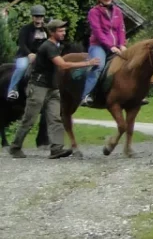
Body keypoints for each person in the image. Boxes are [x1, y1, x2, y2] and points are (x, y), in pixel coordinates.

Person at [8, 18, 100, 159]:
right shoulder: (48, 47)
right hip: (39, 87)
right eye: (60, 31)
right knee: (30, 118)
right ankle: (15, 147)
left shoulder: (56, 46)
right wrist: (88, 63)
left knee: (56, 118)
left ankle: (56, 149)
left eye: (64, 30)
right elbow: (63, 65)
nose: (64, 33)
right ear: (52, 32)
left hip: (53, 87)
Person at [81, 0, 126, 108]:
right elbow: (98, 31)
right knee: (98, 66)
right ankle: (85, 95)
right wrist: (111, 46)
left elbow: (121, 29)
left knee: (131, 63)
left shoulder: (118, 11)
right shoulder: (93, 12)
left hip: (117, 46)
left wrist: (122, 44)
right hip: (99, 46)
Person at [6, 4, 48, 101]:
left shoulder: (47, 30)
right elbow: (22, 44)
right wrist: (29, 54)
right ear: (32, 17)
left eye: (40, 16)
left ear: (43, 17)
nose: (38, 19)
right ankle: (12, 90)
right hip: (25, 55)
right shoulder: (25, 29)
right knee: (21, 67)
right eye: (36, 16)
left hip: (41, 56)